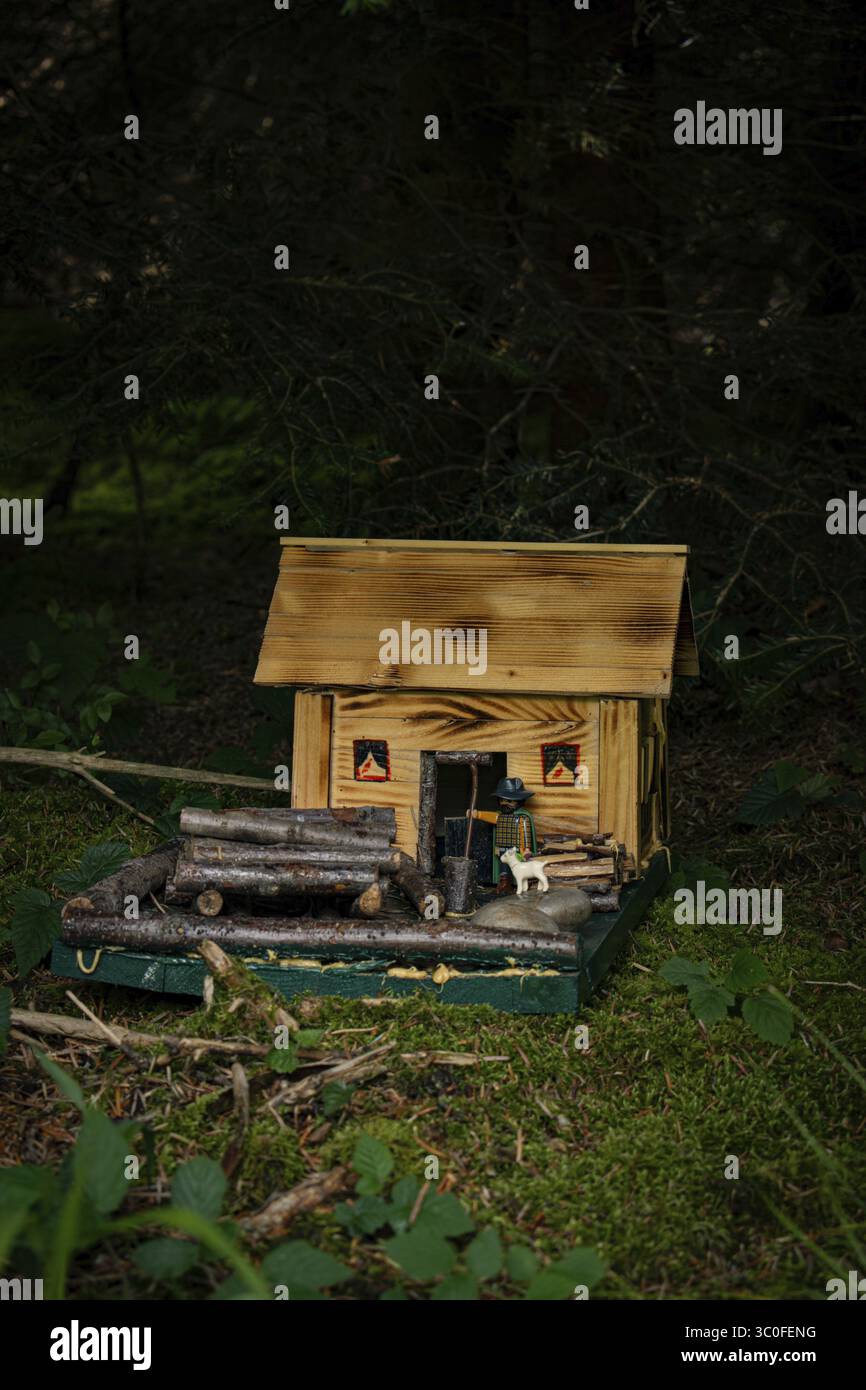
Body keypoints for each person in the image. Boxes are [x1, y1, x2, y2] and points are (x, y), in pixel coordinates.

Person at [468, 776, 537, 887]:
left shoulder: (522, 817)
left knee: (519, 867)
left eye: (509, 800)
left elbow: (525, 835)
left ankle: (522, 883)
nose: (504, 803)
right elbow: (491, 817)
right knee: (503, 867)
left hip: (517, 850)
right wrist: (477, 814)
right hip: (502, 849)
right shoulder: (499, 816)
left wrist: (526, 850)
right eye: (502, 800)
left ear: (519, 801)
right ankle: (504, 882)